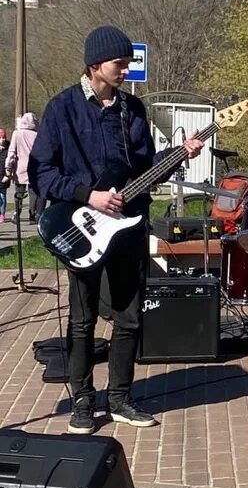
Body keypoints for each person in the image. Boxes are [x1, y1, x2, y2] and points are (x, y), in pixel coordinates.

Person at [29, 25, 204, 435]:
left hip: (126, 229)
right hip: (81, 226)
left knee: (129, 318)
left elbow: (144, 168)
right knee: (82, 320)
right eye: (119, 63)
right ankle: (83, 400)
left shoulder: (133, 110)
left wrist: (181, 154)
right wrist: (88, 195)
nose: (126, 70)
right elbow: (41, 173)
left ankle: (122, 397)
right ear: (94, 66)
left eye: (127, 63)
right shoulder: (63, 109)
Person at [5, 112, 39, 223]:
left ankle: (17, 214)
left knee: (19, 193)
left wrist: (8, 168)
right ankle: (32, 215)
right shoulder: (37, 135)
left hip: (20, 168)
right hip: (34, 168)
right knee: (33, 193)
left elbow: (12, 152)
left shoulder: (17, 134)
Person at [0, 128, 9, 223]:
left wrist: (8, 175)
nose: (2, 140)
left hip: (4, 175)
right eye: (0, 138)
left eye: (3, 137)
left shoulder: (8, 147)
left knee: (2, 195)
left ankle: (2, 214)